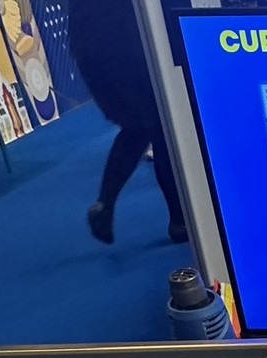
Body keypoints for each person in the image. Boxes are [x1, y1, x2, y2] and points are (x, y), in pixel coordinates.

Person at [69, 0, 187, 244]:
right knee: (161, 127)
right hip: (126, 44)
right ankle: (179, 221)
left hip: (93, 46)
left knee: (139, 127)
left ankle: (105, 204)